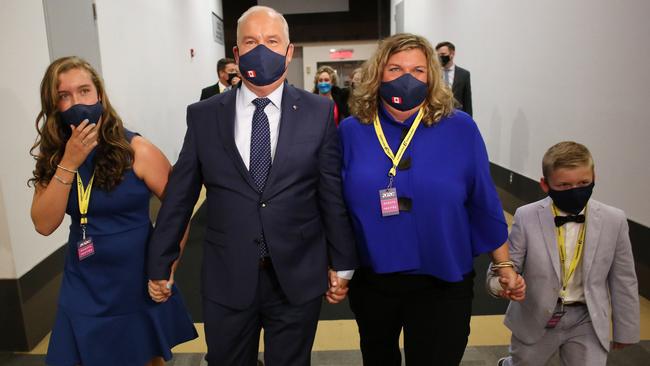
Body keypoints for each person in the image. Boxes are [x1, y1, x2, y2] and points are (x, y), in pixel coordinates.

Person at [147, 5, 358, 366]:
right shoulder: (204, 115)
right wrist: (160, 261)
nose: (262, 49)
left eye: (272, 41)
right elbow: (180, 196)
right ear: (237, 53)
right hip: (227, 275)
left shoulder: (317, 112)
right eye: (251, 41)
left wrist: (342, 262)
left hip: (296, 274)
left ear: (289, 52)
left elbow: (329, 194)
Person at [339, 33, 525, 366]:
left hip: (442, 277)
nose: (406, 77)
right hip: (374, 278)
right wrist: (336, 265)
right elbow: (335, 204)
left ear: (432, 77)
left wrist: (504, 264)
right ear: (378, 73)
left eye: (418, 70)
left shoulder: (460, 128)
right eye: (395, 68)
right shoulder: (352, 131)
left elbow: (483, 200)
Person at [29, 56, 197, 366]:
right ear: (54, 105)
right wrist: (70, 161)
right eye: (64, 96)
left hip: (135, 280)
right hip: (83, 281)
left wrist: (167, 267)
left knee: (143, 358)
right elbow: (43, 223)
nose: (76, 102)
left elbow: (179, 210)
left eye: (84, 91)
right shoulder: (55, 157)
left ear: (100, 95)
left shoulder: (137, 149)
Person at [486, 141, 640, 366]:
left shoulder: (613, 220)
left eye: (584, 183)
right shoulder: (527, 217)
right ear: (545, 185)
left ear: (594, 177)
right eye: (565, 185)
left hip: (587, 319)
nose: (576, 191)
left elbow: (624, 278)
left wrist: (626, 329)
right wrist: (504, 284)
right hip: (536, 316)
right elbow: (503, 268)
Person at [435, 41, 472, 116]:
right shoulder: (434, 74)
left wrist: (469, 119)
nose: (440, 58)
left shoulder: (464, 74)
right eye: (438, 55)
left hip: (457, 114)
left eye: (443, 54)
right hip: (438, 115)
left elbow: (467, 100)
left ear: (452, 54)